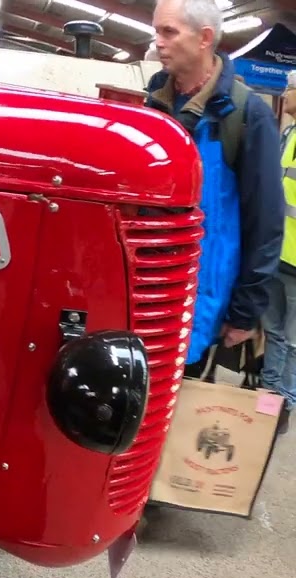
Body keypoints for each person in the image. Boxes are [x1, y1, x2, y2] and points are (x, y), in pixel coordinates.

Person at [145, 0, 284, 380]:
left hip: (204, 301)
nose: (157, 42)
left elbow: (266, 223)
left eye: (168, 32)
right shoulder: (154, 103)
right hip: (144, 290)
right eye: (156, 30)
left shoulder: (245, 115)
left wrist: (244, 312)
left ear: (205, 38)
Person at [260, 70, 296, 434]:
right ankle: (267, 395)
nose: (285, 95)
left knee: (293, 338)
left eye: (290, 89)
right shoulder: (288, 133)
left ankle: (284, 402)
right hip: (280, 252)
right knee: (274, 331)